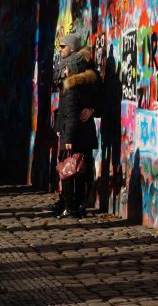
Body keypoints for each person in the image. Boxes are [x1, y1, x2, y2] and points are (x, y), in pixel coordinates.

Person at [57, 35, 101, 219]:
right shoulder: (86, 78)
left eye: (62, 46)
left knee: (70, 169)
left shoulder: (76, 84)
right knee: (81, 169)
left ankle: (71, 205)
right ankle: (76, 204)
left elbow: (71, 112)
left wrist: (92, 109)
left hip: (74, 133)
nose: (60, 50)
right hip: (83, 132)